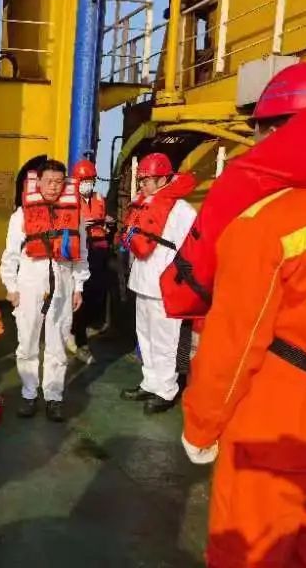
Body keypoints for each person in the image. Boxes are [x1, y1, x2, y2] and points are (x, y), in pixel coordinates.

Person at [182, 63, 306, 566]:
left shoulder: (265, 224)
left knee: (248, 553)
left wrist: (201, 428)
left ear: (277, 132)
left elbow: (232, 345)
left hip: (273, 437)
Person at [0, 158, 89, 422]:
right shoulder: (21, 215)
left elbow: (81, 255)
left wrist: (78, 287)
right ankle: (29, 394)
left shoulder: (75, 215)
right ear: (38, 182)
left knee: (57, 344)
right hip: (29, 285)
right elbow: (10, 255)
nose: (53, 187)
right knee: (27, 342)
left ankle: (53, 397)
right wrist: (11, 286)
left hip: (62, 286)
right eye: (48, 181)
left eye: (58, 182)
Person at [120, 153, 196, 414]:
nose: (142, 184)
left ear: (163, 178)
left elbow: (192, 248)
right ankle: (150, 382)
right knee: (145, 337)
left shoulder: (182, 210)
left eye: (147, 180)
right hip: (142, 281)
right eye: (140, 180)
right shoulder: (142, 203)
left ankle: (166, 390)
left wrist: (182, 280)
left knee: (165, 341)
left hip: (166, 286)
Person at [67, 159, 115, 364]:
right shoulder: (69, 201)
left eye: (91, 180)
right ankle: (79, 340)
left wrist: (107, 224)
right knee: (80, 298)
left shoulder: (99, 199)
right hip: (81, 251)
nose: (88, 184)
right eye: (84, 180)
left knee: (97, 294)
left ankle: (80, 329)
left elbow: (106, 221)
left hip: (99, 251)